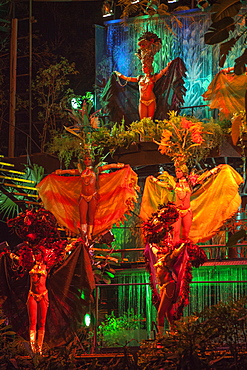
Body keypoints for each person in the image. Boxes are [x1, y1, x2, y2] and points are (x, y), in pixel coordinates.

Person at [54, 156, 125, 242]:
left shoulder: (96, 170)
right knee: (82, 217)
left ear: (93, 160)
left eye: (89, 159)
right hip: (83, 196)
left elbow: (108, 166)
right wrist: (60, 172)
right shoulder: (81, 171)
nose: (87, 161)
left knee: (91, 217)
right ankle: (84, 236)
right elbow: (71, 172)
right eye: (85, 159)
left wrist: (119, 166)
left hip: (93, 196)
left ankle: (89, 234)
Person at [10, 249, 49, 354]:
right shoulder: (29, 264)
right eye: (35, 253)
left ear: (42, 254)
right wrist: (8, 254)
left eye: (38, 253)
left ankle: (39, 349)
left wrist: (72, 245)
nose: (36, 255)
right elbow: (16, 259)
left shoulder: (47, 265)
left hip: (43, 294)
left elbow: (61, 256)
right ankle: (32, 348)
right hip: (32, 294)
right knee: (32, 321)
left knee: (42, 322)